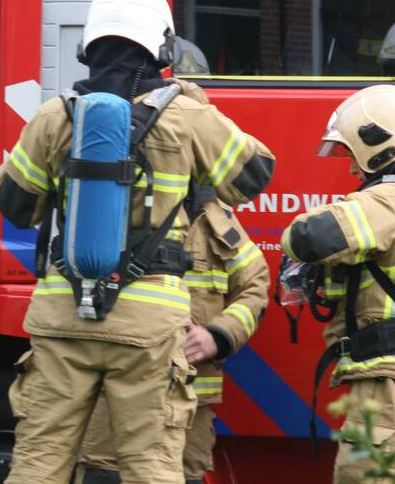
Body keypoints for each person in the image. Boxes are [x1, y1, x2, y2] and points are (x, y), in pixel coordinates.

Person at [0, 0, 275, 484]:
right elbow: (254, 175)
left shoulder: (56, 115)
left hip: (62, 312)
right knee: (151, 467)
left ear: (89, 47)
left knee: (38, 463)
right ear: (163, 48)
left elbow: (14, 205)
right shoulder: (186, 114)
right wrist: (192, 99)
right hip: (149, 322)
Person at [280, 84, 395, 483]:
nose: (351, 169)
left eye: (351, 155)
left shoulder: (392, 198)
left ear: (376, 144)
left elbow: (306, 237)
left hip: (390, 391)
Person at [75, 183, 271, 484]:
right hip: (117, 391)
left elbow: (255, 285)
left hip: (190, 401)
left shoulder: (215, 218)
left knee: (186, 477)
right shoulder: (119, 201)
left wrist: (218, 335)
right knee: (107, 476)